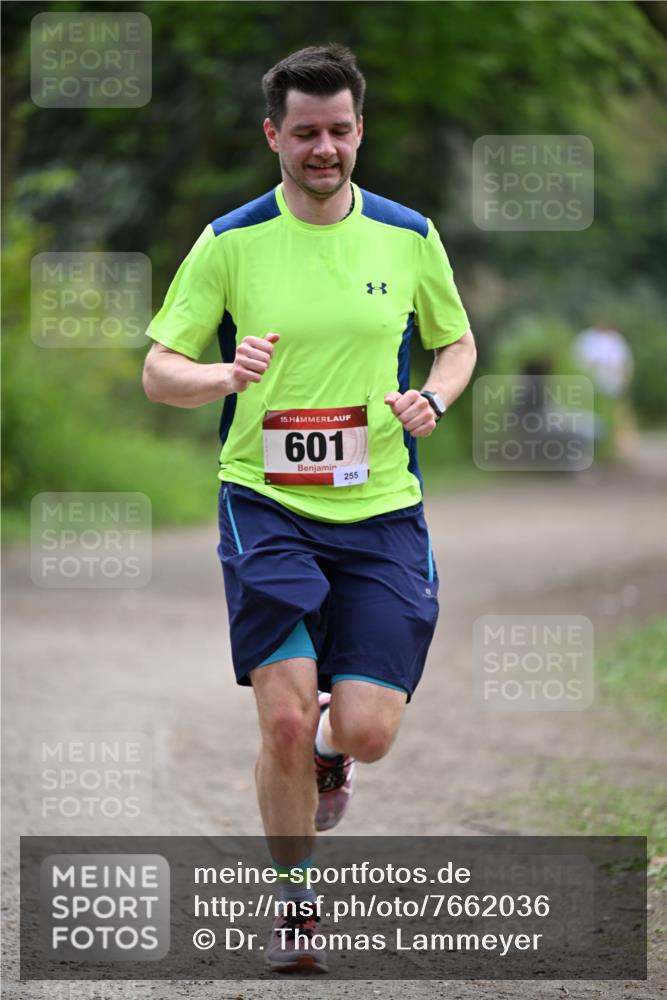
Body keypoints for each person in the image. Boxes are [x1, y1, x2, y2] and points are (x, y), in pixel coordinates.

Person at [142, 43, 476, 973]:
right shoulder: (230, 241)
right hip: (266, 502)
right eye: (303, 133)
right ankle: (295, 907)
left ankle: (335, 757)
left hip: (380, 509)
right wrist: (223, 372)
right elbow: (158, 369)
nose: (322, 148)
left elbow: (455, 345)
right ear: (272, 137)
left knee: (362, 729)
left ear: (358, 131)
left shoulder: (409, 235)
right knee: (282, 716)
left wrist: (434, 398)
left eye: (337, 130)